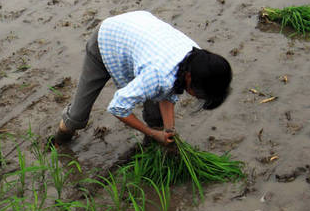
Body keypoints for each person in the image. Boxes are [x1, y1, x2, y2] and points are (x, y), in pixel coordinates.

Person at [53, 10, 232, 146]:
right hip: (106, 39)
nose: (197, 97)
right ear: (190, 77)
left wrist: (169, 130)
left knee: (157, 118)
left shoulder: (197, 59)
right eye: (199, 94)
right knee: (77, 116)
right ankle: (59, 143)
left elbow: (169, 92)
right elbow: (117, 107)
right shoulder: (158, 75)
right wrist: (153, 134)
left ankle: (152, 144)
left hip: (137, 37)